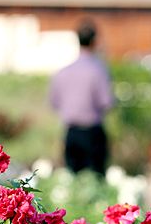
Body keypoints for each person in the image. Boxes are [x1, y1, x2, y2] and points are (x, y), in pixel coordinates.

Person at [49, 20, 115, 175]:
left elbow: (54, 103)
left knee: (73, 179)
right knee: (96, 180)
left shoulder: (63, 72)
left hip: (71, 132)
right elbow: (106, 102)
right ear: (94, 41)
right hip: (92, 133)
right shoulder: (98, 70)